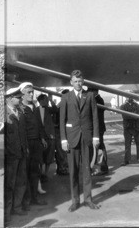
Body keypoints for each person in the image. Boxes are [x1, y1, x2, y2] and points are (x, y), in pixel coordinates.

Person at [59, 70, 100, 212]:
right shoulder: (65, 97)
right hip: (72, 138)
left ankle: (88, 199)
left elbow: (95, 117)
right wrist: (63, 140)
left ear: (83, 82)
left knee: (87, 170)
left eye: (80, 81)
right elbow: (62, 120)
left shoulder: (89, 96)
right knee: (73, 171)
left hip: (87, 138)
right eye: (75, 81)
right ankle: (75, 201)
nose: (78, 83)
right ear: (71, 82)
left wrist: (96, 137)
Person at [18, 82, 48, 210]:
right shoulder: (21, 109)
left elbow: (39, 125)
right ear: (22, 94)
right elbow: (22, 130)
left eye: (32, 92)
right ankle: (26, 202)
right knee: (26, 174)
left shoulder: (34, 106)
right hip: (28, 144)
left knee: (35, 172)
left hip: (36, 143)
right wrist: (26, 147)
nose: (31, 94)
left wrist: (42, 138)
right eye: (29, 92)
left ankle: (34, 198)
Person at [4, 87, 29, 224]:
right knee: (9, 185)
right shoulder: (4, 115)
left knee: (21, 182)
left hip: (21, 153)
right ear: (9, 98)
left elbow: (23, 133)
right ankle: (6, 215)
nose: (20, 99)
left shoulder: (20, 113)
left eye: (20, 97)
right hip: (11, 156)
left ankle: (17, 207)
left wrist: (26, 149)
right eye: (17, 97)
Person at [36, 94, 57, 182]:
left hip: (50, 136)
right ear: (41, 101)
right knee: (40, 155)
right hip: (40, 136)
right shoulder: (35, 110)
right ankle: (41, 173)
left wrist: (52, 101)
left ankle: (45, 173)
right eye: (46, 100)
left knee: (49, 155)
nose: (47, 101)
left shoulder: (49, 109)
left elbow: (56, 110)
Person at [119, 95, 139, 165]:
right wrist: (134, 115)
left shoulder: (137, 105)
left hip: (136, 127)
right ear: (126, 97)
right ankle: (126, 160)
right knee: (127, 144)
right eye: (128, 96)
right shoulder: (123, 106)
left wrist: (132, 116)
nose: (129, 98)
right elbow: (125, 116)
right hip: (128, 127)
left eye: (130, 96)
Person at [90, 88, 108, 175]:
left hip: (99, 128)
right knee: (97, 148)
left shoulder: (99, 100)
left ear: (94, 92)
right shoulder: (98, 99)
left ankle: (102, 167)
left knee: (99, 147)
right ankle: (99, 168)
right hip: (98, 128)